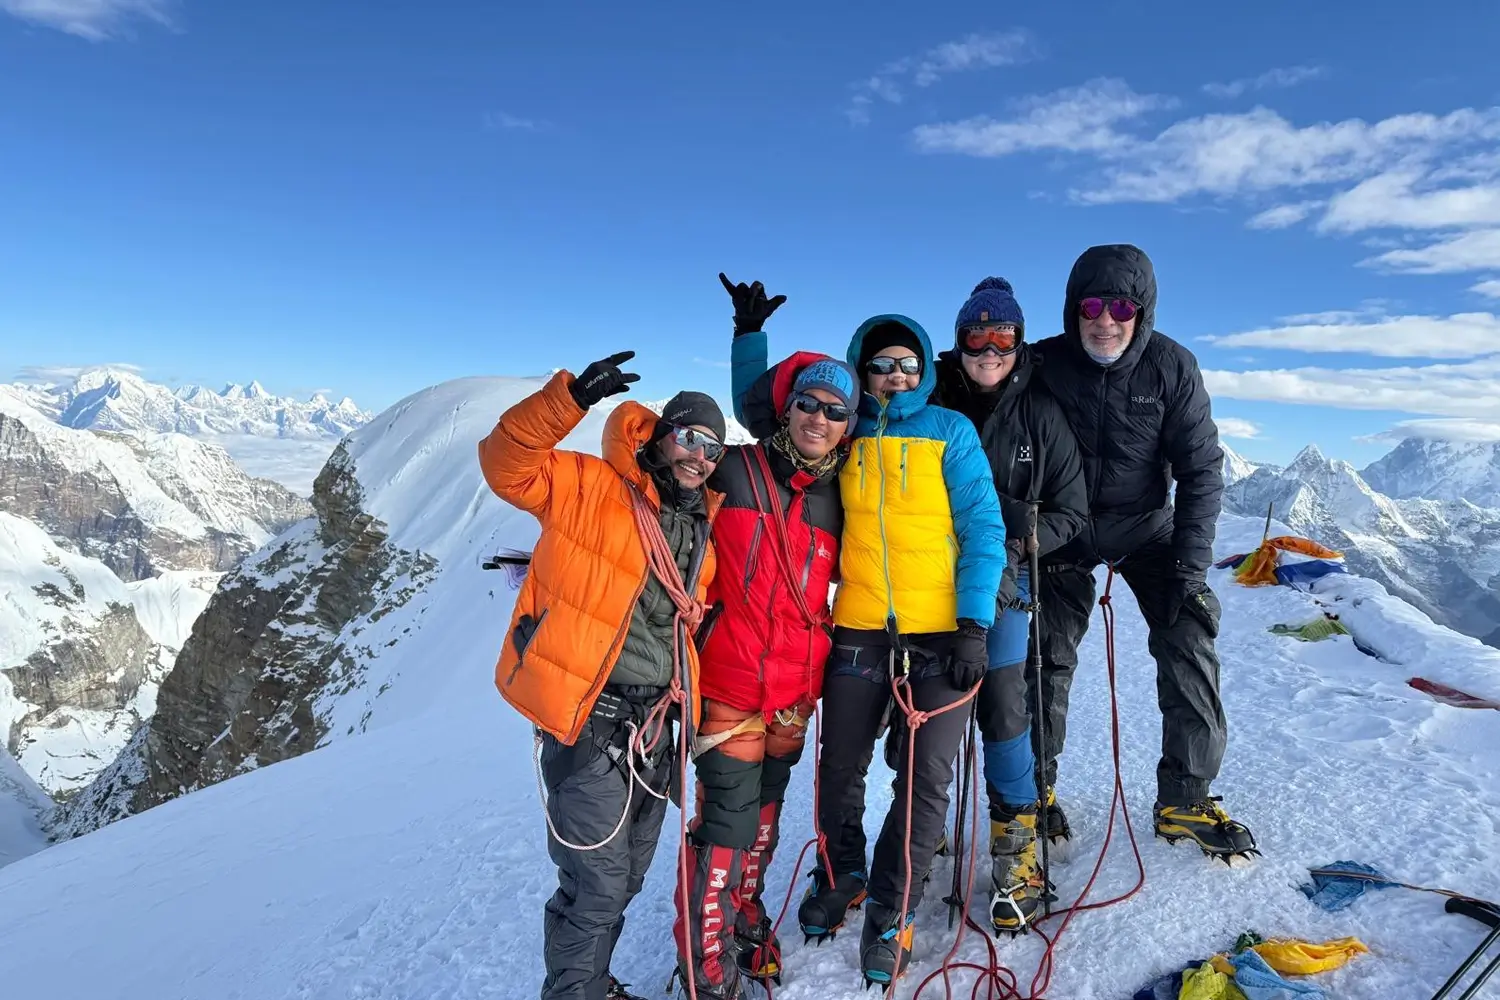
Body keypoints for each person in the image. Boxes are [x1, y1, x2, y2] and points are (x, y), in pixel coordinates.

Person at [478, 351, 728, 1000]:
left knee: (628, 877)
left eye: (712, 448)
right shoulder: (589, 486)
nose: (699, 456)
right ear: (661, 434)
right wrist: (569, 400)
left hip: (655, 729)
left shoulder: (701, 529)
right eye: (690, 438)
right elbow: (505, 465)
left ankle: (589, 984)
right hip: (589, 721)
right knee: (596, 884)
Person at [776, 313, 1007, 987]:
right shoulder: (842, 435)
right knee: (839, 765)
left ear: (925, 371)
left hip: (940, 637)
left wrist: (974, 623)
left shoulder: (950, 432)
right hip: (858, 628)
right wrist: (749, 342)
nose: (896, 375)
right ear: (862, 370)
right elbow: (777, 415)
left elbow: (983, 525)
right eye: (881, 365)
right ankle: (842, 871)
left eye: (908, 364)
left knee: (926, 777)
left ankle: (892, 905)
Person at [1031, 243, 1257, 862]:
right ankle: (1032, 793)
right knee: (1042, 657)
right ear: (1073, 308)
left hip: (1148, 531)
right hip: (1064, 534)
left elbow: (1202, 469)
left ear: (1144, 310)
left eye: (1122, 305)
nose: (1106, 319)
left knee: (1189, 638)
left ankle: (1185, 797)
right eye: (1092, 304)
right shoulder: (1041, 364)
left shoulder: (1171, 367)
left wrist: (1189, 569)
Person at [671, 275, 858, 999]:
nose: (817, 416)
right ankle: (705, 967)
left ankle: (746, 922)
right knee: (725, 830)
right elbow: (661, 465)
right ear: (787, 405)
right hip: (725, 686)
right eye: (807, 401)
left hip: (792, 697)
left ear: (849, 424)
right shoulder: (736, 468)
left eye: (834, 409)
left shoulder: (843, 496)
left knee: (763, 827)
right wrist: (748, 338)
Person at [929, 276, 1087, 932]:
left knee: (1003, 702)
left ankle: (1016, 853)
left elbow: (1073, 512)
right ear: (959, 341)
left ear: (1020, 343)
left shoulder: (1041, 413)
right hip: (930, 579)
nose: (990, 349)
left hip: (1007, 583)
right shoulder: (928, 399)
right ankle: (920, 825)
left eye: (1005, 337)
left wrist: (1021, 541)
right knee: (925, 704)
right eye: (977, 336)